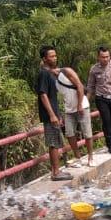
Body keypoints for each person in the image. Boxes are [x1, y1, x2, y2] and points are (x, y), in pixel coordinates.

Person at [35, 46, 72, 181]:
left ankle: (57, 170)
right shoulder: (44, 74)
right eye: (51, 56)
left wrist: (57, 113)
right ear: (44, 59)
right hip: (49, 114)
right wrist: (51, 115)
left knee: (56, 141)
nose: (55, 58)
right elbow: (43, 95)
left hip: (54, 112)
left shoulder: (49, 73)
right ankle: (55, 172)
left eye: (55, 56)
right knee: (53, 142)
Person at [55, 60, 91, 167]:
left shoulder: (66, 72)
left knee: (87, 133)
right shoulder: (54, 81)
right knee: (69, 133)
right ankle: (77, 157)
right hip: (69, 110)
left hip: (82, 106)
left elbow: (79, 86)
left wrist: (79, 105)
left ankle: (90, 157)